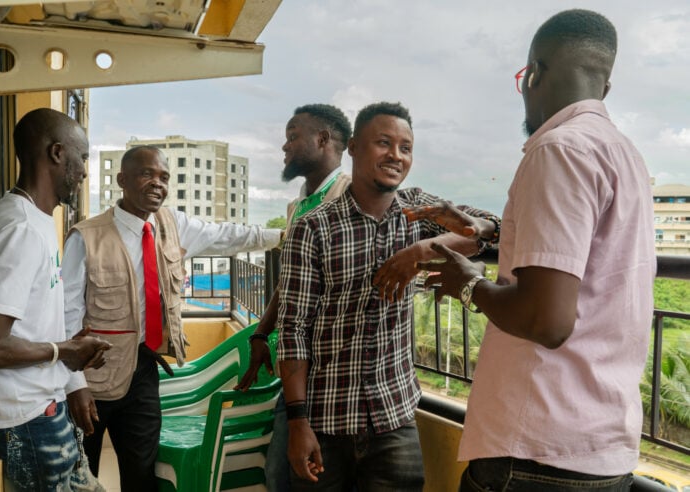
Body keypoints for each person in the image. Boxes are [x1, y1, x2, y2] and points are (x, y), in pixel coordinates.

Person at [415, 9, 656, 491]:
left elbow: (546, 320)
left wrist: (470, 284)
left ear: (534, 76)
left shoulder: (559, 150)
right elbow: (588, 251)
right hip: (599, 449)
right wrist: (491, 231)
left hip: (536, 454)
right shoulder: (622, 152)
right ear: (604, 87)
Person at [276, 101, 500, 491]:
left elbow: (489, 227)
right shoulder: (313, 228)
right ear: (354, 148)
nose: (395, 155)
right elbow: (294, 328)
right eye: (383, 143)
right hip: (326, 420)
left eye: (405, 147)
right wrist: (297, 423)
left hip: (394, 419)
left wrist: (420, 251)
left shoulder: (418, 211)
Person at [61, 145, 282, 492]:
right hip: (94, 375)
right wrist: (75, 386)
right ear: (122, 180)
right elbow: (66, 314)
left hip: (144, 371)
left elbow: (226, 236)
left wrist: (283, 236)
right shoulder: (86, 237)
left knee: (141, 473)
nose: (157, 184)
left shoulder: (173, 224)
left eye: (164, 177)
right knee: (82, 475)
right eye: (146, 174)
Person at [0, 108, 112, 491]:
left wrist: (71, 376)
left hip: (37, 412)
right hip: (21, 420)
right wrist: (65, 352)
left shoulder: (35, 220)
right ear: (57, 153)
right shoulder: (19, 229)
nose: (84, 171)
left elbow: (34, 325)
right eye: (83, 157)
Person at [234, 103, 353, 492]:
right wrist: (259, 333)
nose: (284, 147)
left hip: (335, 371)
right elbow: (289, 283)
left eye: (292, 136)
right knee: (280, 475)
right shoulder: (298, 207)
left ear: (323, 139)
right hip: (296, 364)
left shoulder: (350, 194)